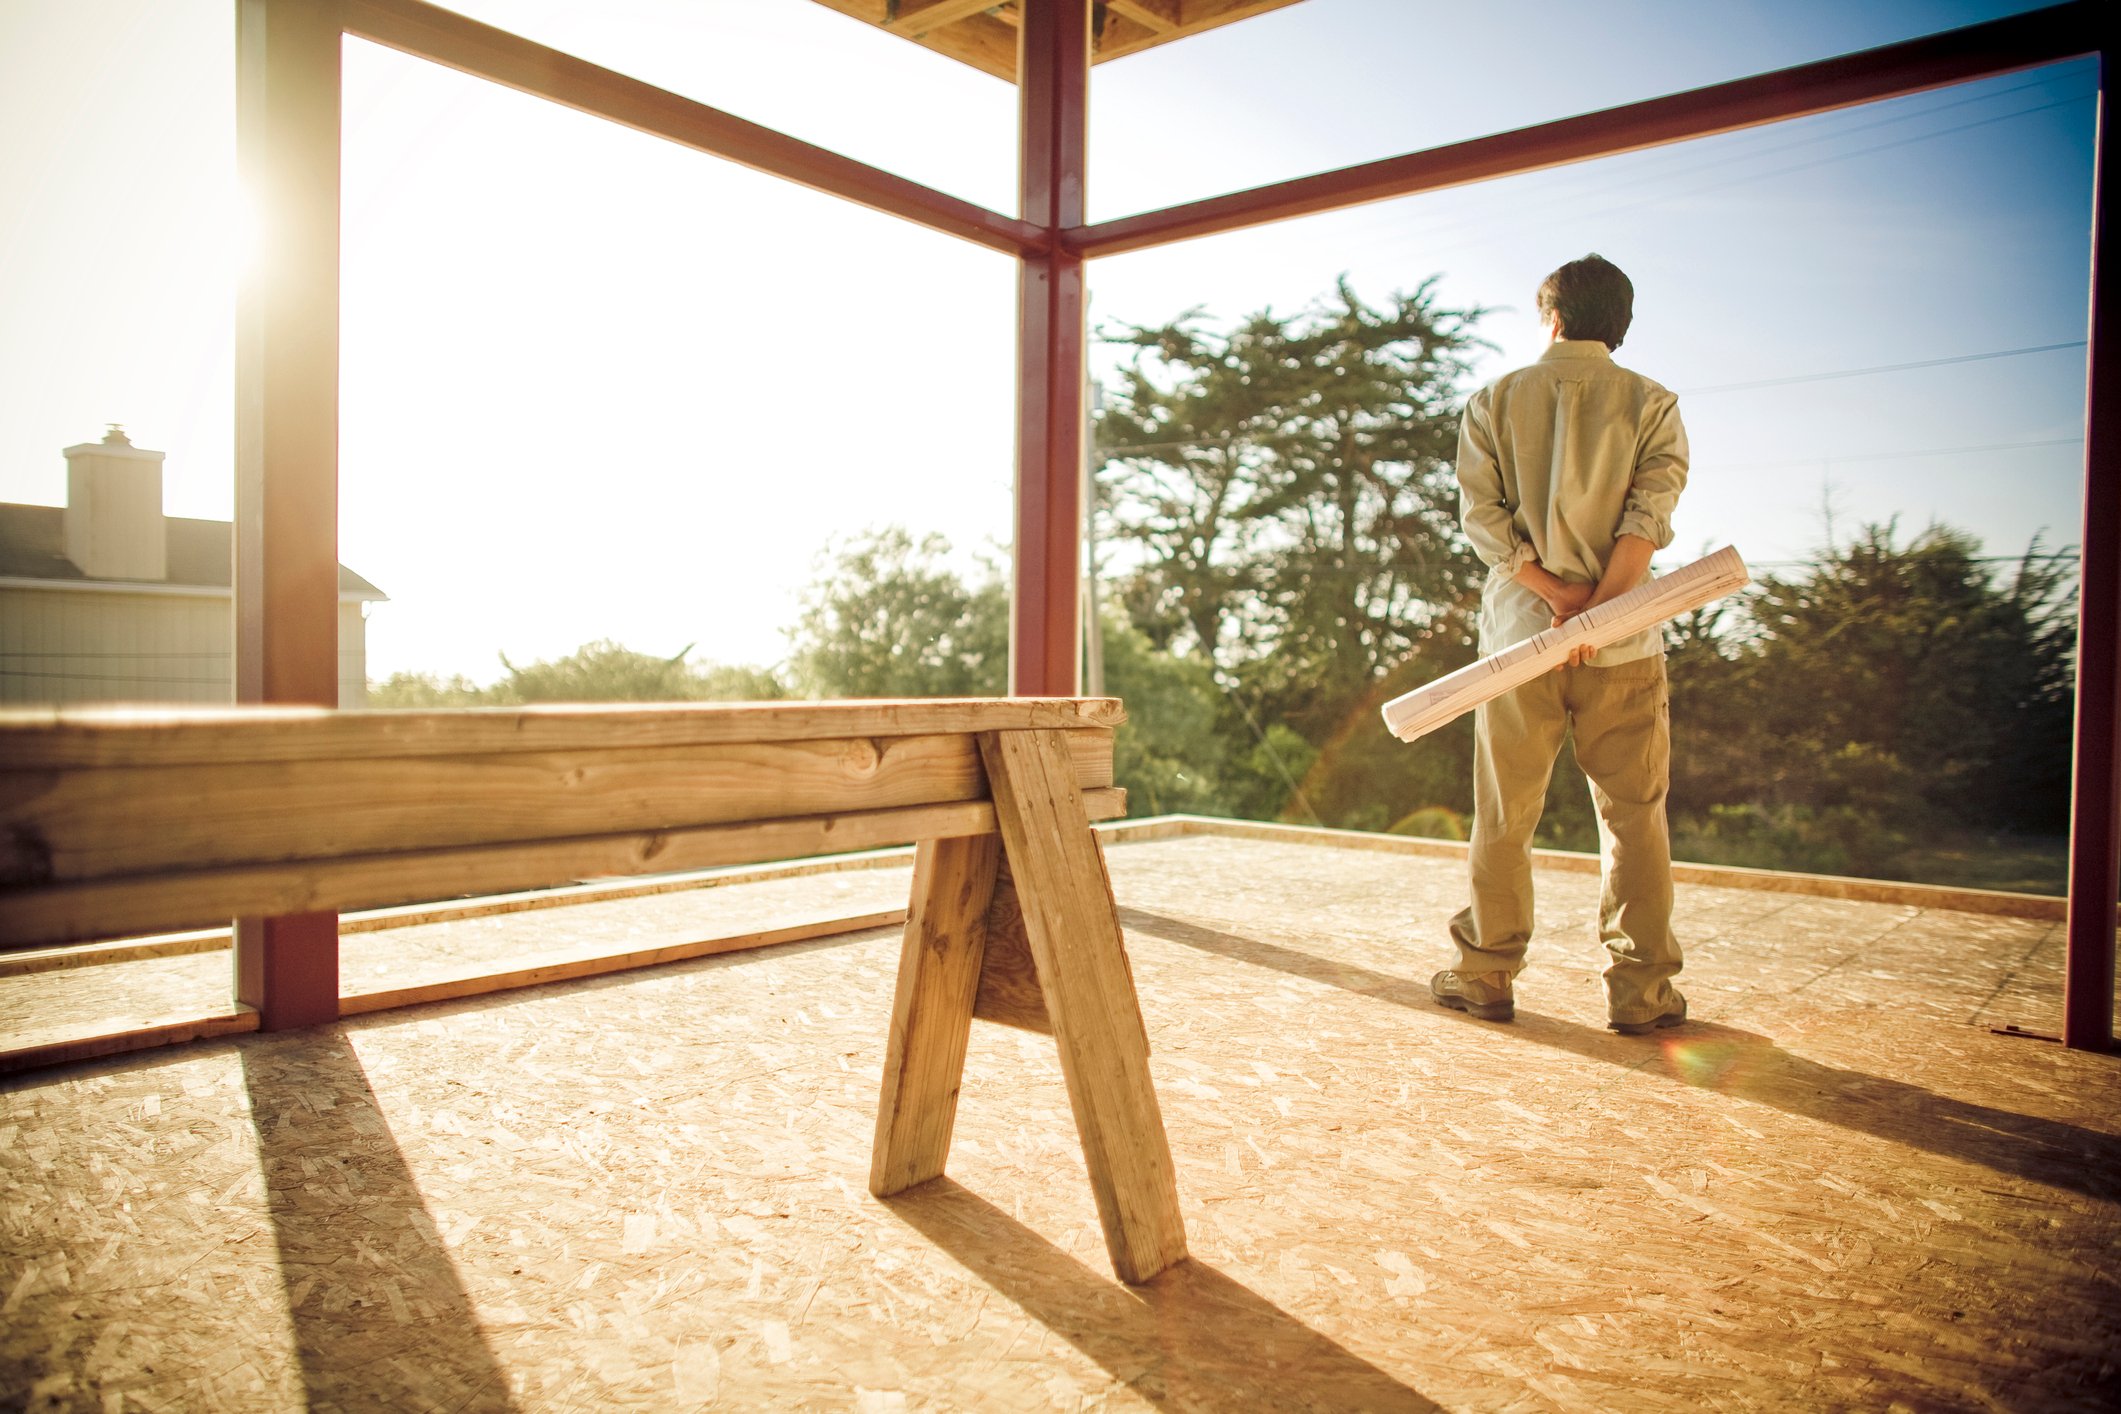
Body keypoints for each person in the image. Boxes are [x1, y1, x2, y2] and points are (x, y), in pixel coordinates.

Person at [1430, 253, 1691, 1036]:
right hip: (1625, 644)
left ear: (1551, 317)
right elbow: (1647, 518)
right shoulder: (1653, 403)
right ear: (1620, 324)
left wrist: (1556, 601)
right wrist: (1599, 614)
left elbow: (1483, 521)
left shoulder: (1494, 400)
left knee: (1503, 815)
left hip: (1519, 643)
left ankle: (1485, 974)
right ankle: (1640, 991)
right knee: (1633, 815)